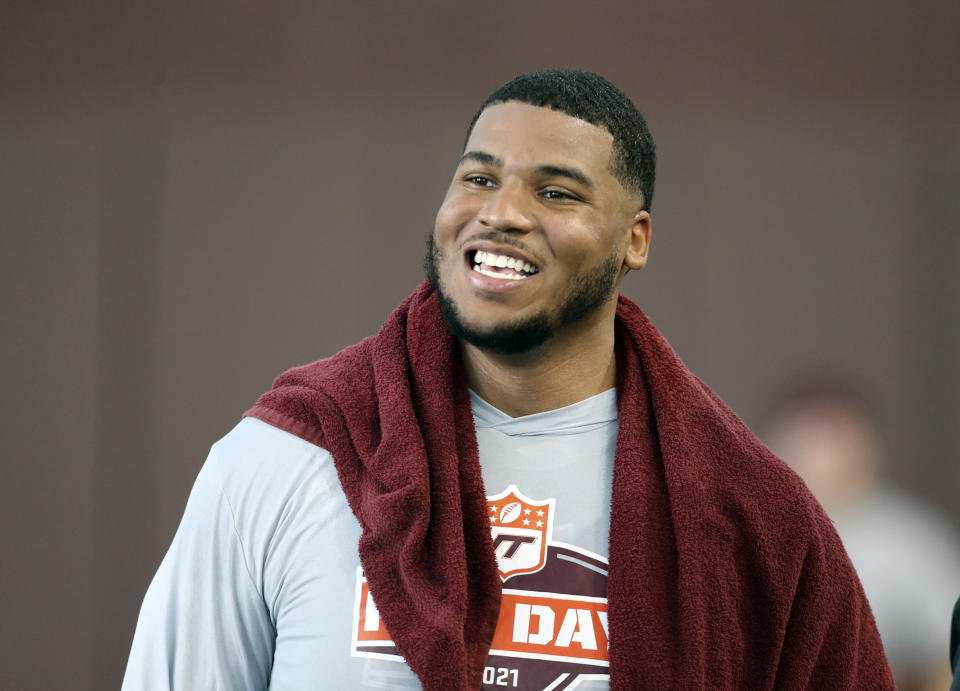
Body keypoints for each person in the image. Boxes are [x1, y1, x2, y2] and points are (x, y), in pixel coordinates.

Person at [123, 69, 894, 690]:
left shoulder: (755, 518)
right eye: (479, 178)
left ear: (636, 240)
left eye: (555, 191)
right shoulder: (286, 456)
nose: (502, 213)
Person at [762, 372, 960, 691]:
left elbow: (942, 654)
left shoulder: (910, 540)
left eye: (833, 439)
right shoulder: (750, 532)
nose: (821, 456)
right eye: (806, 438)